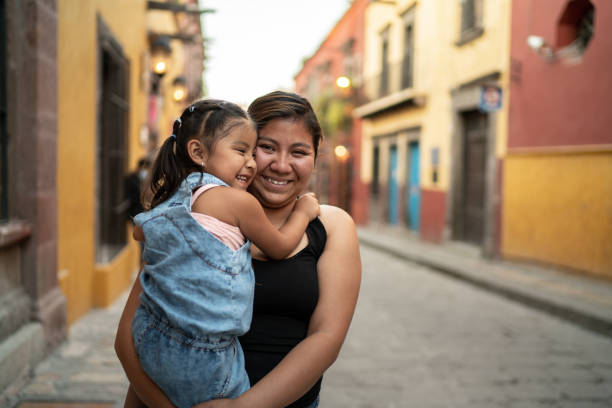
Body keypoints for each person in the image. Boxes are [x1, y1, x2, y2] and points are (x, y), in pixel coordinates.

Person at [115, 91, 361, 408]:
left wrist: (240, 407)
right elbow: (128, 335)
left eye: (299, 152)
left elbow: (325, 338)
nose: (281, 165)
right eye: (266, 148)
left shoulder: (330, 226)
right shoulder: (196, 217)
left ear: (315, 157)